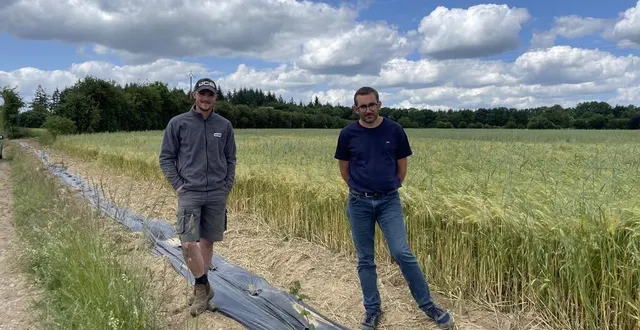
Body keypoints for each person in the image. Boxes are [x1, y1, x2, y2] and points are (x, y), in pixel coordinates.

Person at [333, 86, 454, 330]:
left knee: (401, 252)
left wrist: (390, 187)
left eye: (372, 104)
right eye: (363, 106)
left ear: (379, 104)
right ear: (356, 108)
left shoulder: (395, 130)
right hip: (359, 203)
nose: (368, 110)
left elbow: (402, 167)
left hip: (389, 201)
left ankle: (428, 305)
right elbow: (344, 169)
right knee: (365, 259)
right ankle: (372, 310)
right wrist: (360, 189)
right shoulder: (348, 134)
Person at [159, 77, 236, 317]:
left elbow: (231, 158)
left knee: (207, 242)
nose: (206, 98)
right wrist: (179, 185)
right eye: (202, 94)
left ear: (215, 98)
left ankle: (199, 291)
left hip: (216, 193)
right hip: (189, 193)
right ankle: (204, 287)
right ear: (194, 95)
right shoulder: (178, 123)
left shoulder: (224, 126)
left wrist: (226, 185)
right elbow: (166, 157)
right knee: (188, 242)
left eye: (210, 95)